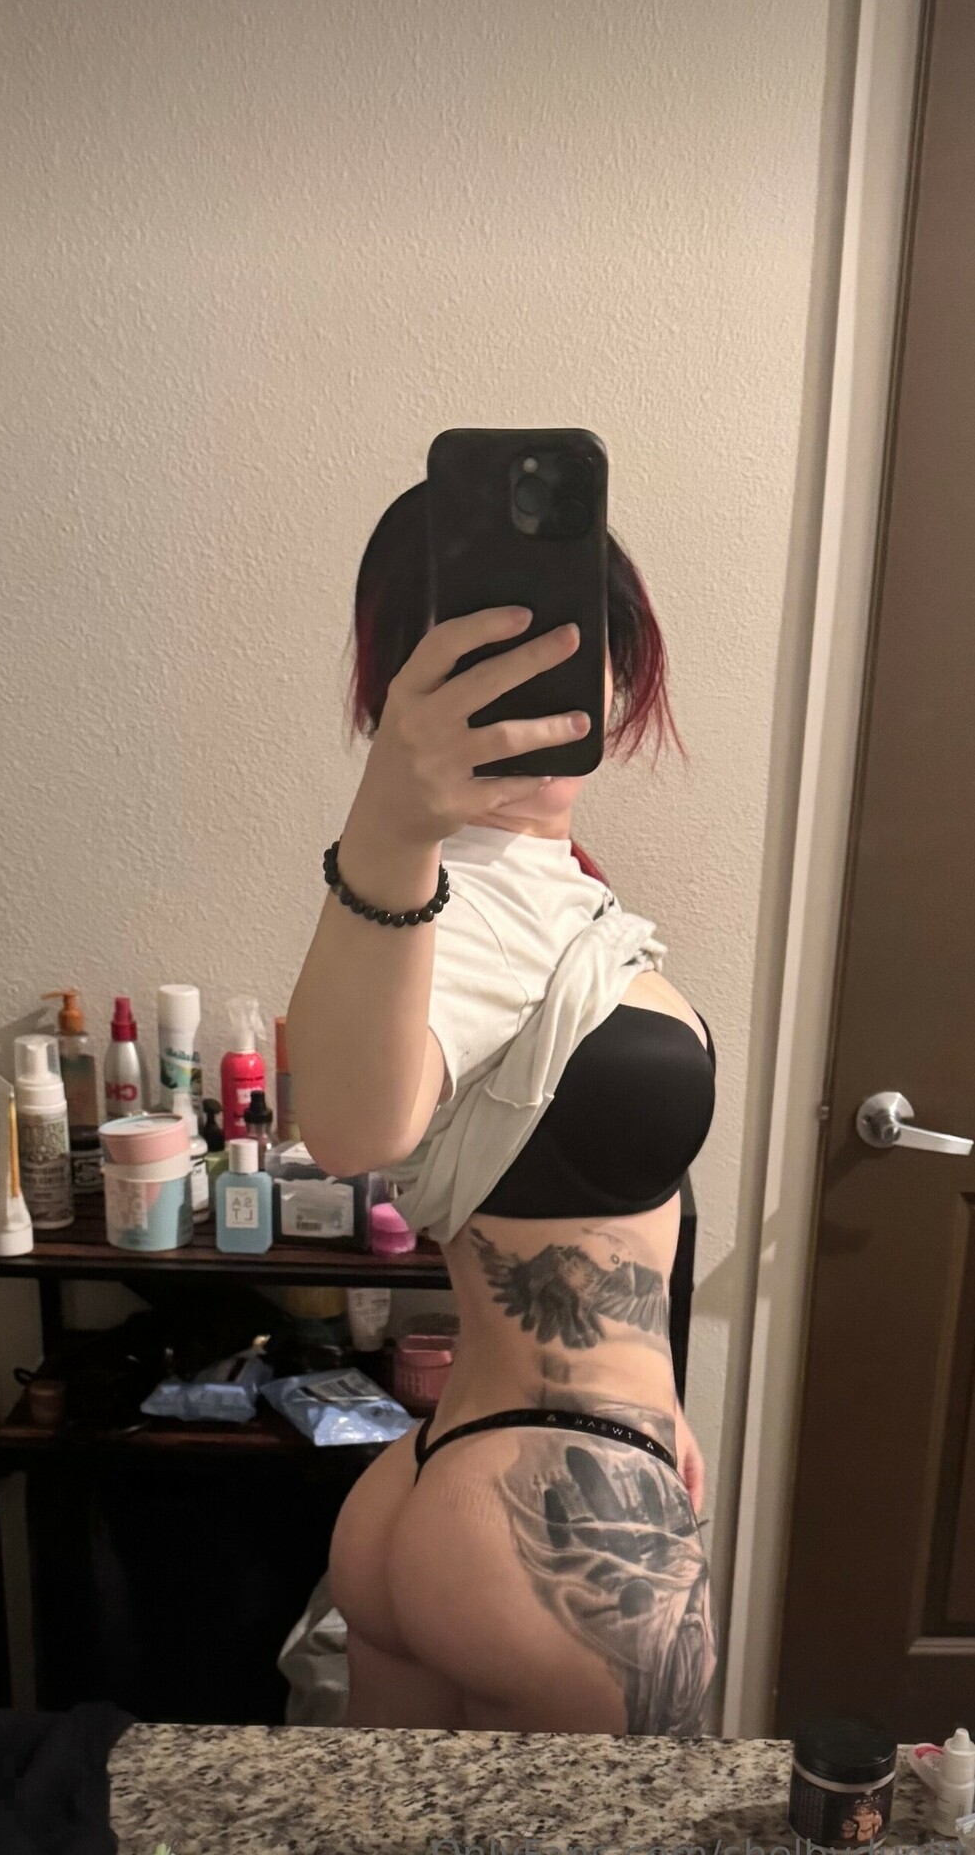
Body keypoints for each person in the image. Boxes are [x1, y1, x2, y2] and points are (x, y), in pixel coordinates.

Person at [286, 482, 718, 1734]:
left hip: (462, 1480)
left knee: (402, 1828)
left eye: (565, 637)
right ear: (399, 677)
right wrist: (388, 823)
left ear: (613, 663)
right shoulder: (448, 897)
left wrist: (662, 1403)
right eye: (476, 644)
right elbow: (353, 1131)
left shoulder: (540, 887)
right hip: (556, 1521)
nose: (530, 677)